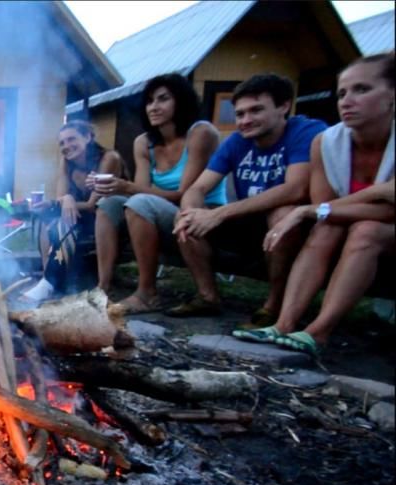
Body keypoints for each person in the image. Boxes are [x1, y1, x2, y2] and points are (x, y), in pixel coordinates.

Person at [233, 53, 395, 355]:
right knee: (327, 228)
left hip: (379, 232)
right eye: (342, 93)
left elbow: (388, 212)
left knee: (366, 229)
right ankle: (283, 324)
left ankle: (318, 331)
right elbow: (327, 208)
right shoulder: (327, 142)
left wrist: (308, 210)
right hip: (346, 226)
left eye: (362, 90)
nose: (346, 101)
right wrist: (379, 193)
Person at [170, 73, 328, 324]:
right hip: (248, 222)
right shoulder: (236, 142)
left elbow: (296, 189)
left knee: (283, 213)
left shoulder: (306, 131)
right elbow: (197, 188)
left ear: (284, 106)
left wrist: (219, 213)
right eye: (240, 113)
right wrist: (191, 212)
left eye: (256, 110)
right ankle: (207, 297)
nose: (245, 120)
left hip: (300, 227)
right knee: (185, 216)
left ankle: (274, 305)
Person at [92, 74, 225, 314]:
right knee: (109, 203)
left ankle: (147, 293)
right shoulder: (144, 143)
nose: (154, 107)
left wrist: (127, 186)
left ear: (181, 101)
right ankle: (102, 287)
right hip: (161, 217)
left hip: (201, 215)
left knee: (139, 202)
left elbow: (184, 194)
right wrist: (117, 189)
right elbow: (143, 191)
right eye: (150, 101)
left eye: (163, 99)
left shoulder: (201, 133)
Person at [21, 121, 124, 302]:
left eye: (71, 139)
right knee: (47, 216)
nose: (66, 146)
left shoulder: (109, 158)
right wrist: (65, 200)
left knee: (64, 219)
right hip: (83, 218)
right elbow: (62, 197)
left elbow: (94, 203)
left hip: (112, 217)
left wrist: (64, 202)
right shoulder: (66, 162)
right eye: (62, 143)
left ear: (88, 137)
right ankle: (49, 277)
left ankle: (50, 283)